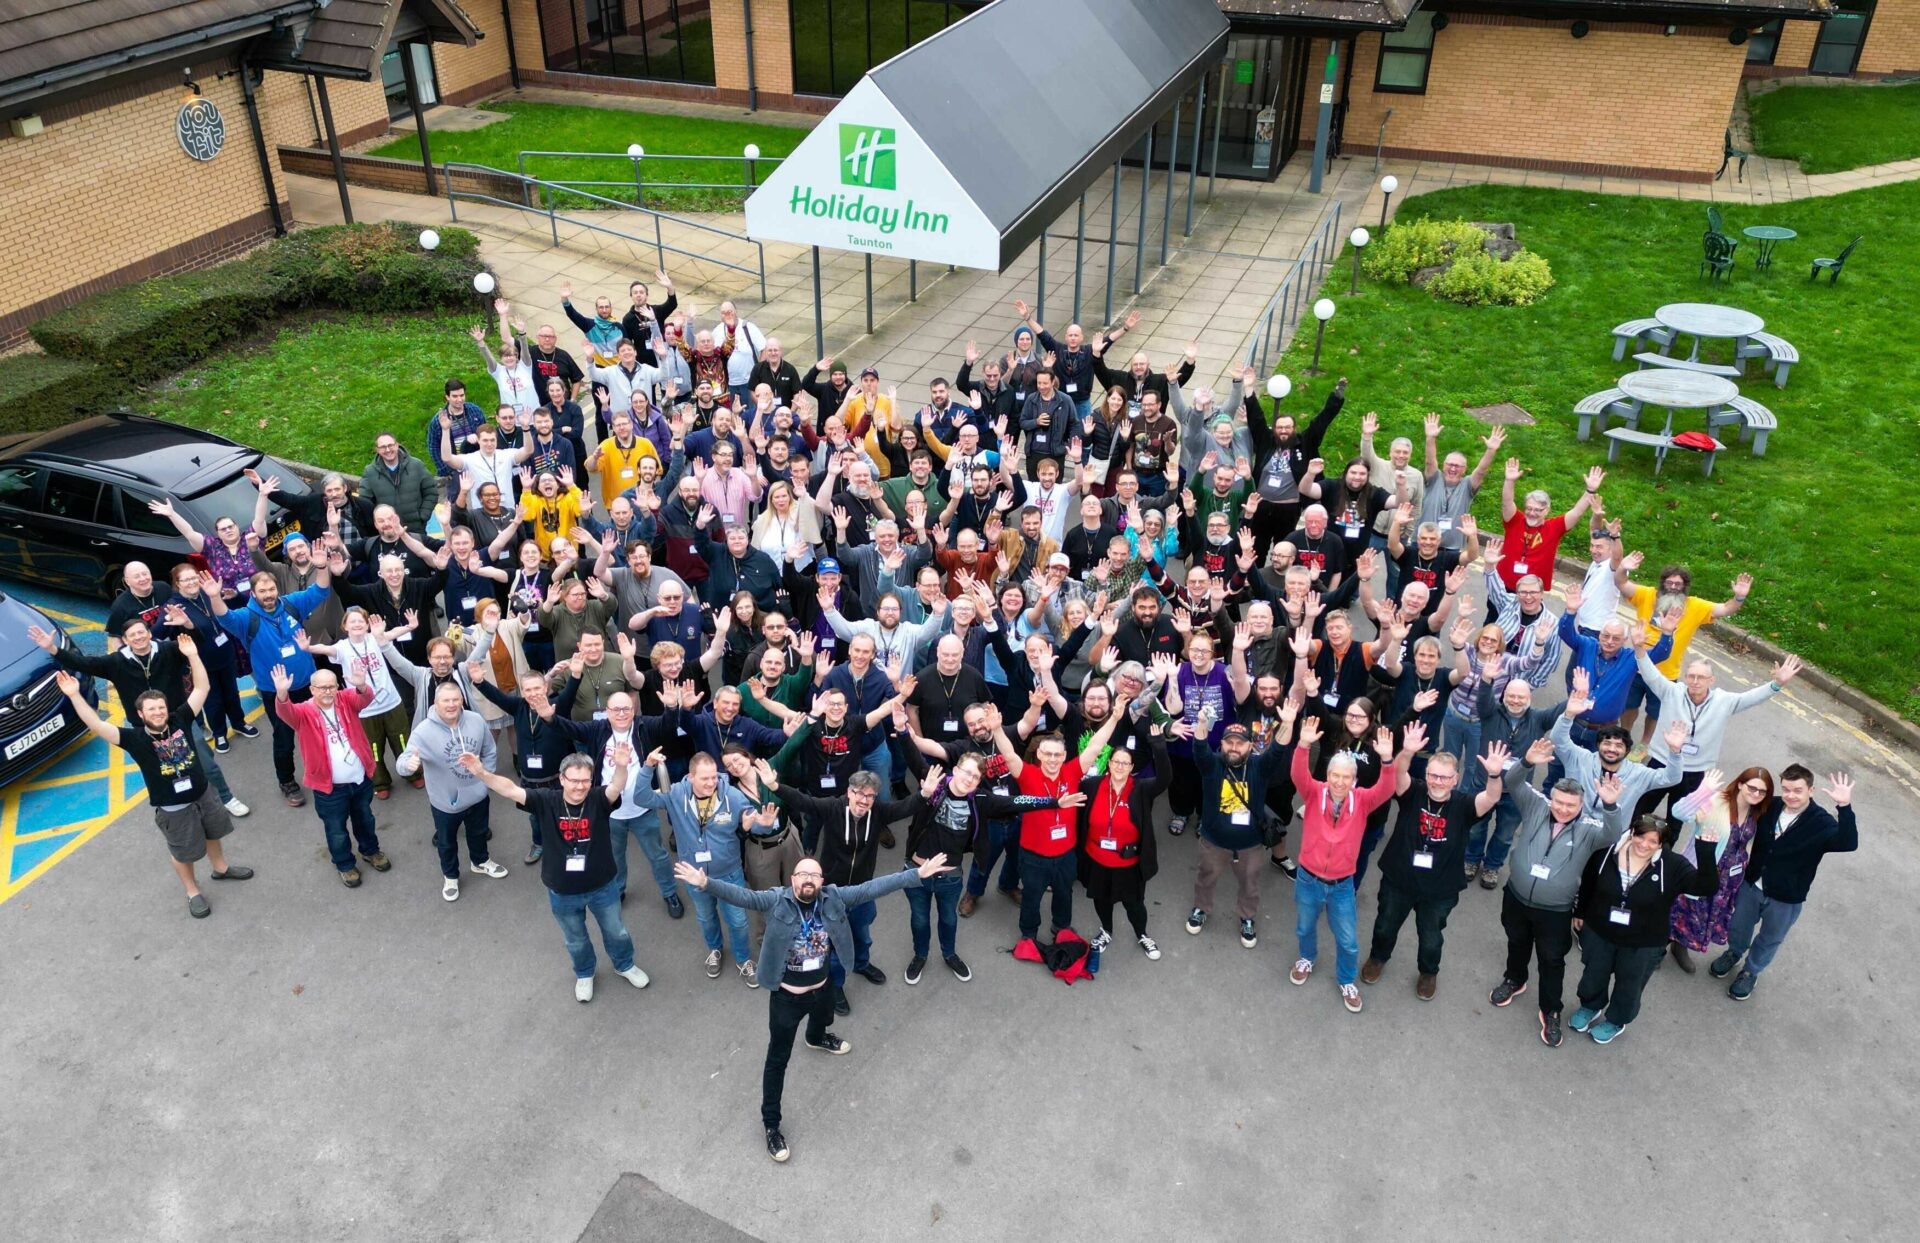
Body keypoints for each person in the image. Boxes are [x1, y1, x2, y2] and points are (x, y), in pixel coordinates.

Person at [674, 851, 951, 1164]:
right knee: (777, 1060)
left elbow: (874, 887)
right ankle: (771, 1125)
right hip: (786, 999)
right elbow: (741, 896)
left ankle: (817, 1037)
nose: (808, 879)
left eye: (814, 875)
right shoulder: (775, 900)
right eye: (802, 874)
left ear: (822, 881)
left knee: (823, 1018)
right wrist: (705, 883)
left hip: (822, 987)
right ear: (792, 880)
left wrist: (916, 875)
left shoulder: (835, 898)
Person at [54, 643, 253, 917]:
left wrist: (194, 655)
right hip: (174, 809)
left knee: (213, 832)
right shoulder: (135, 739)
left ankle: (220, 868)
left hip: (203, 794)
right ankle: (192, 891)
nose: (158, 712)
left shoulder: (180, 718)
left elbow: (201, 689)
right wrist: (75, 696)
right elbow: (97, 726)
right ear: (141, 714)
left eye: (160, 707)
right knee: (183, 852)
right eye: (151, 709)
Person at [464, 746, 654, 1002]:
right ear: (562, 779)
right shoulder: (546, 800)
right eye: (574, 780)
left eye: (585, 780)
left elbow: (616, 787)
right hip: (562, 890)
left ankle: (624, 965)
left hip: (602, 886)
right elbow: (509, 789)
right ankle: (585, 973)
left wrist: (621, 766)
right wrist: (482, 773)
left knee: (616, 931)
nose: (580, 786)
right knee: (575, 939)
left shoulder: (598, 798)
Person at [35, 616, 249, 819]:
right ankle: (183, 807)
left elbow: (197, 644)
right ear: (125, 640)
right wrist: (53, 649)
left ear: (149, 633)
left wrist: (188, 626)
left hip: (179, 719)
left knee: (205, 763)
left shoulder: (168, 650)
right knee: (165, 772)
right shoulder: (116, 662)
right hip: (144, 729)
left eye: (141, 632)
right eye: (132, 635)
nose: (138, 638)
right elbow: (84, 663)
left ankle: (226, 798)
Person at [1362, 729, 1508, 1000]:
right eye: (1432, 775)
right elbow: (1398, 774)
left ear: (1455, 779)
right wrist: (1406, 751)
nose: (1437, 781)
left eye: (1444, 777)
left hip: (1440, 889)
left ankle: (1428, 973)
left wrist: (1494, 774)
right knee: (1385, 925)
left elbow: (1491, 798)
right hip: (1399, 879)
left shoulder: (1464, 805)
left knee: (1431, 937)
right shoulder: (1414, 791)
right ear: (1426, 774)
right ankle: (1378, 958)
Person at [1490, 762, 1623, 1048]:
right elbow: (1513, 781)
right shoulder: (1537, 806)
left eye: (1571, 805)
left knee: (1551, 960)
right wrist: (1526, 762)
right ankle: (1515, 979)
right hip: (1516, 897)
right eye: (1559, 802)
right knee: (1517, 942)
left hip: (1554, 911)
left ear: (1581, 805)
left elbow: (1613, 834)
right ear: (1551, 798)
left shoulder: (1589, 828)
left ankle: (1550, 1010)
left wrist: (1611, 806)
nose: (1563, 809)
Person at [1571, 812, 1722, 1045]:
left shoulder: (1672, 866)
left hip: (1644, 943)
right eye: (1641, 837)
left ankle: (1616, 1021)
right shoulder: (1605, 855)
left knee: (1629, 986)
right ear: (1631, 833)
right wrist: (1580, 912)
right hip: (1600, 932)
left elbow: (1706, 886)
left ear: (1661, 844)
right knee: (1593, 975)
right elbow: (1589, 884)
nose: (1645, 845)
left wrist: (1706, 850)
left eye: (1653, 841)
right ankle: (1590, 1006)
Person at [1709, 765, 1857, 1001]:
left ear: (1811, 790)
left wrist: (1845, 807)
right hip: (1752, 885)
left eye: (1798, 790)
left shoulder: (1821, 822)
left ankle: (1751, 971)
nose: (1791, 795)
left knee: (1770, 938)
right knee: (1738, 925)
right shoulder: (1772, 805)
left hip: (1787, 897)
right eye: (1786, 789)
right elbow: (1743, 804)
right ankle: (1734, 952)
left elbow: (1848, 842)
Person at [629, 752, 777, 986]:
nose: (711, 783)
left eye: (714, 778)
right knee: (706, 918)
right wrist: (647, 767)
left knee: (738, 921)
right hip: (693, 874)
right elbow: (640, 797)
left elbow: (752, 821)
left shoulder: (732, 796)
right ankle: (715, 950)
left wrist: (762, 826)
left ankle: (743, 959)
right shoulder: (675, 794)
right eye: (704, 779)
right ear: (690, 777)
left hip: (729, 873)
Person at [1288, 717, 1401, 1013]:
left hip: (1341, 886)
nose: (1339, 782)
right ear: (1327, 776)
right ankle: (1306, 958)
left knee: (1349, 941)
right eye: (1335, 775)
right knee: (1303, 927)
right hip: (1308, 879)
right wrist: (1303, 745)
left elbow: (1386, 788)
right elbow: (1298, 774)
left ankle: (1347, 980)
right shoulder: (1314, 793)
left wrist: (1388, 760)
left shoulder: (1362, 800)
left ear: (1354, 780)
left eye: (1346, 777)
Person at [1633, 650, 1801, 828]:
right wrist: (1639, 649)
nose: (1695, 681)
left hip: (1693, 771)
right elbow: (1651, 675)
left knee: (1676, 821)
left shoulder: (1724, 701)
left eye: (1701, 677)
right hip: (1662, 762)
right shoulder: (1671, 692)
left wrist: (1777, 684)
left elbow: (1752, 698)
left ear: (1711, 680)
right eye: (1691, 676)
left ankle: (1664, 851)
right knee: (1641, 810)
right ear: (1685, 677)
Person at [272, 662, 390, 888]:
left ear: (338, 687)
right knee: (336, 830)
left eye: (331, 686)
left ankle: (370, 851)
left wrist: (362, 685)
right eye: (322, 687)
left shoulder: (345, 699)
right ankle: (345, 864)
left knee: (365, 819)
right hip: (330, 788)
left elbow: (365, 699)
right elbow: (285, 712)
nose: (328, 692)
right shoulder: (304, 712)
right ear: (312, 690)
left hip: (359, 779)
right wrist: (282, 693)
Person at [1186, 710, 1295, 948]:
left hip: (1250, 845)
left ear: (1249, 746)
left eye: (1240, 743)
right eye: (1229, 742)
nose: (1234, 748)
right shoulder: (1211, 765)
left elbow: (1278, 749)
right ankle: (1201, 908)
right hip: (1213, 842)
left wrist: (1287, 722)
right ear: (1222, 744)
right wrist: (1202, 723)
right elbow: (1200, 746)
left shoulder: (1260, 766)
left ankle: (1247, 917)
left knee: (1250, 884)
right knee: (1206, 878)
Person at [394, 683, 506, 902]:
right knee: (446, 843)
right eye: (446, 700)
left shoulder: (475, 720)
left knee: (479, 832)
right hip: (446, 803)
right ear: (436, 703)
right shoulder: (423, 731)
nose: (452, 704)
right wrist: (408, 766)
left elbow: (490, 750)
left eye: (456, 699)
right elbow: (403, 760)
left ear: (462, 700)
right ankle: (451, 876)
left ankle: (480, 862)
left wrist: (487, 779)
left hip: (478, 795)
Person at [1077, 722, 1172, 961]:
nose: (1120, 766)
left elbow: (1165, 778)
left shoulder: (1141, 789)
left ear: (1132, 767)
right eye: (1116, 761)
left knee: (1135, 904)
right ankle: (1106, 930)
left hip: (1128, 864)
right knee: (1101, 900)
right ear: (1108, 764)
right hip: (1096, 860)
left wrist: (1158, 745)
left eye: (1125, 763)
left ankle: (1142, 934)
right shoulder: (1091, 785)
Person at [1666, 768, 1771, 973]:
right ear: (1740, 784)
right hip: (1702, 867)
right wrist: (1702, 792)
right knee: (1682, 909)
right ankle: (1659, 947)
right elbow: (1678, 812)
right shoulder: (1716, 800)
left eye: (1762, 792)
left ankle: (1681, 946)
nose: (1756, 794)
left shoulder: (1756, 811)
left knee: (1701, 916)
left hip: (1729, 878)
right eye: (1752, 788)